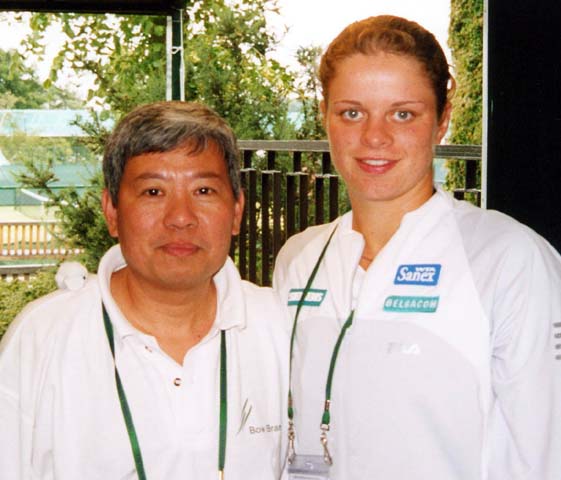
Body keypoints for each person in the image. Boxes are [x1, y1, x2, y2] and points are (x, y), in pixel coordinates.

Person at [273, 15, 561, 480]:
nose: (374, 137)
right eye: (352, 112)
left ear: (442, 120)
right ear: (323, 113)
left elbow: (548, 454)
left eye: (403, 113)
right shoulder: (300, 260)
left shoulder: (507, 259)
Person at [0, 101, 287, 479]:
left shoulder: (278, 326)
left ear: (236, 211)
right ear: (112, 211)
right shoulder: (44, 336)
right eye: (153, 192)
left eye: (203, 190)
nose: (181, 217)